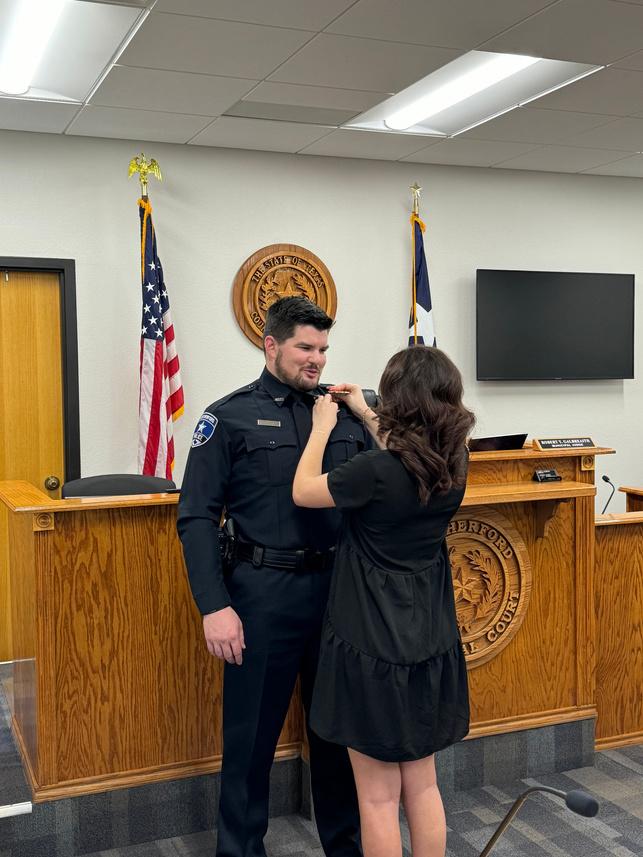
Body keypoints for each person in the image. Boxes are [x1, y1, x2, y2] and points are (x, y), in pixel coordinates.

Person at [177, 296, 366, 857]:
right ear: (271, 345)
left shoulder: (344, 413)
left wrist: (365, 412)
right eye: (305, 347)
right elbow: (195, 518)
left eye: (323, 349)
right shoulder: (228, 417)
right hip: (262, 596)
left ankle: (345, 848)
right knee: (251, 741)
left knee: (338, 738)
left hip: (336, 595)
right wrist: (214, 605)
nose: (317, 360)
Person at [292, 345, 475, 857]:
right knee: (423, 785)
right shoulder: (454, 462)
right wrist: (363, 410)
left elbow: (303, 491)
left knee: (376, 799)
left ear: (400, 400)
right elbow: (406, 458)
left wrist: (322, 428)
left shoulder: (372, 470)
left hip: (370, 645)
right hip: (428, 642)